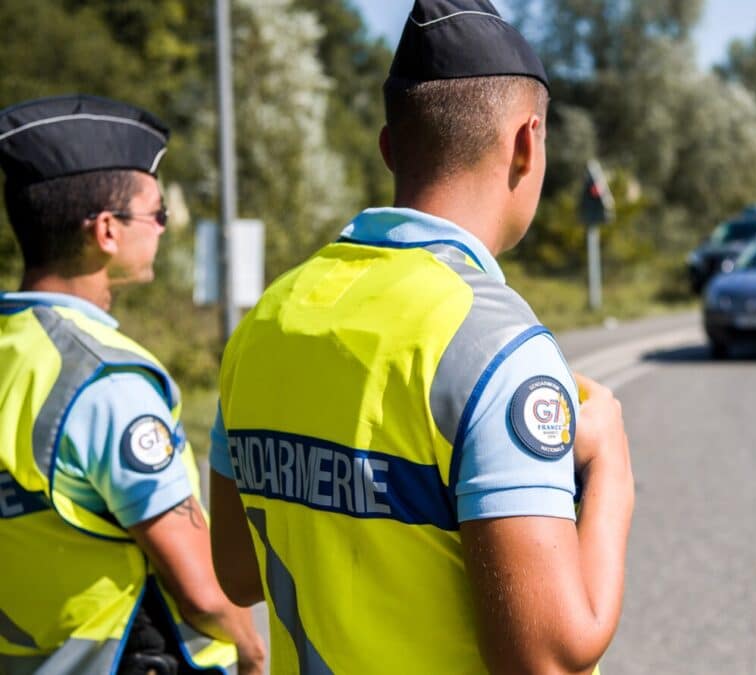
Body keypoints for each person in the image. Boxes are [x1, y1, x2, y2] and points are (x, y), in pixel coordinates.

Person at [208, 1, 635, 674]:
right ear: (528, 142)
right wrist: (611, 463)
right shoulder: (497, 346)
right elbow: (550, 657)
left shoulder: (266, 319)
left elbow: (236, 574)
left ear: (388, 149)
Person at [0, 95, 264, 675]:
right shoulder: (105, 379)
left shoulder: (12, 350)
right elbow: (201, 590)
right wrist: (252, 650)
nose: (165, 229)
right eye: (157, 214)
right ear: (107, 232)